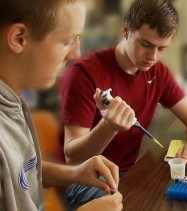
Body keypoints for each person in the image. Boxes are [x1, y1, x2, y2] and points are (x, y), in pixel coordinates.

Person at [59, 0, 187, 208]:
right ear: (126, 31)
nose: (153, 57)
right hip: (82, 179)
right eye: (146, 45)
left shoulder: (158, 72)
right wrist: (108, 127)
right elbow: (73, 158)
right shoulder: (84, 74)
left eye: (161, 48)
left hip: (127, 174)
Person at [0, 0, 123, 210]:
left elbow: (20, 174)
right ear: (20, 38)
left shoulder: (11, 102)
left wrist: (75, 173)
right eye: (67, 41)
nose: (75, 54)